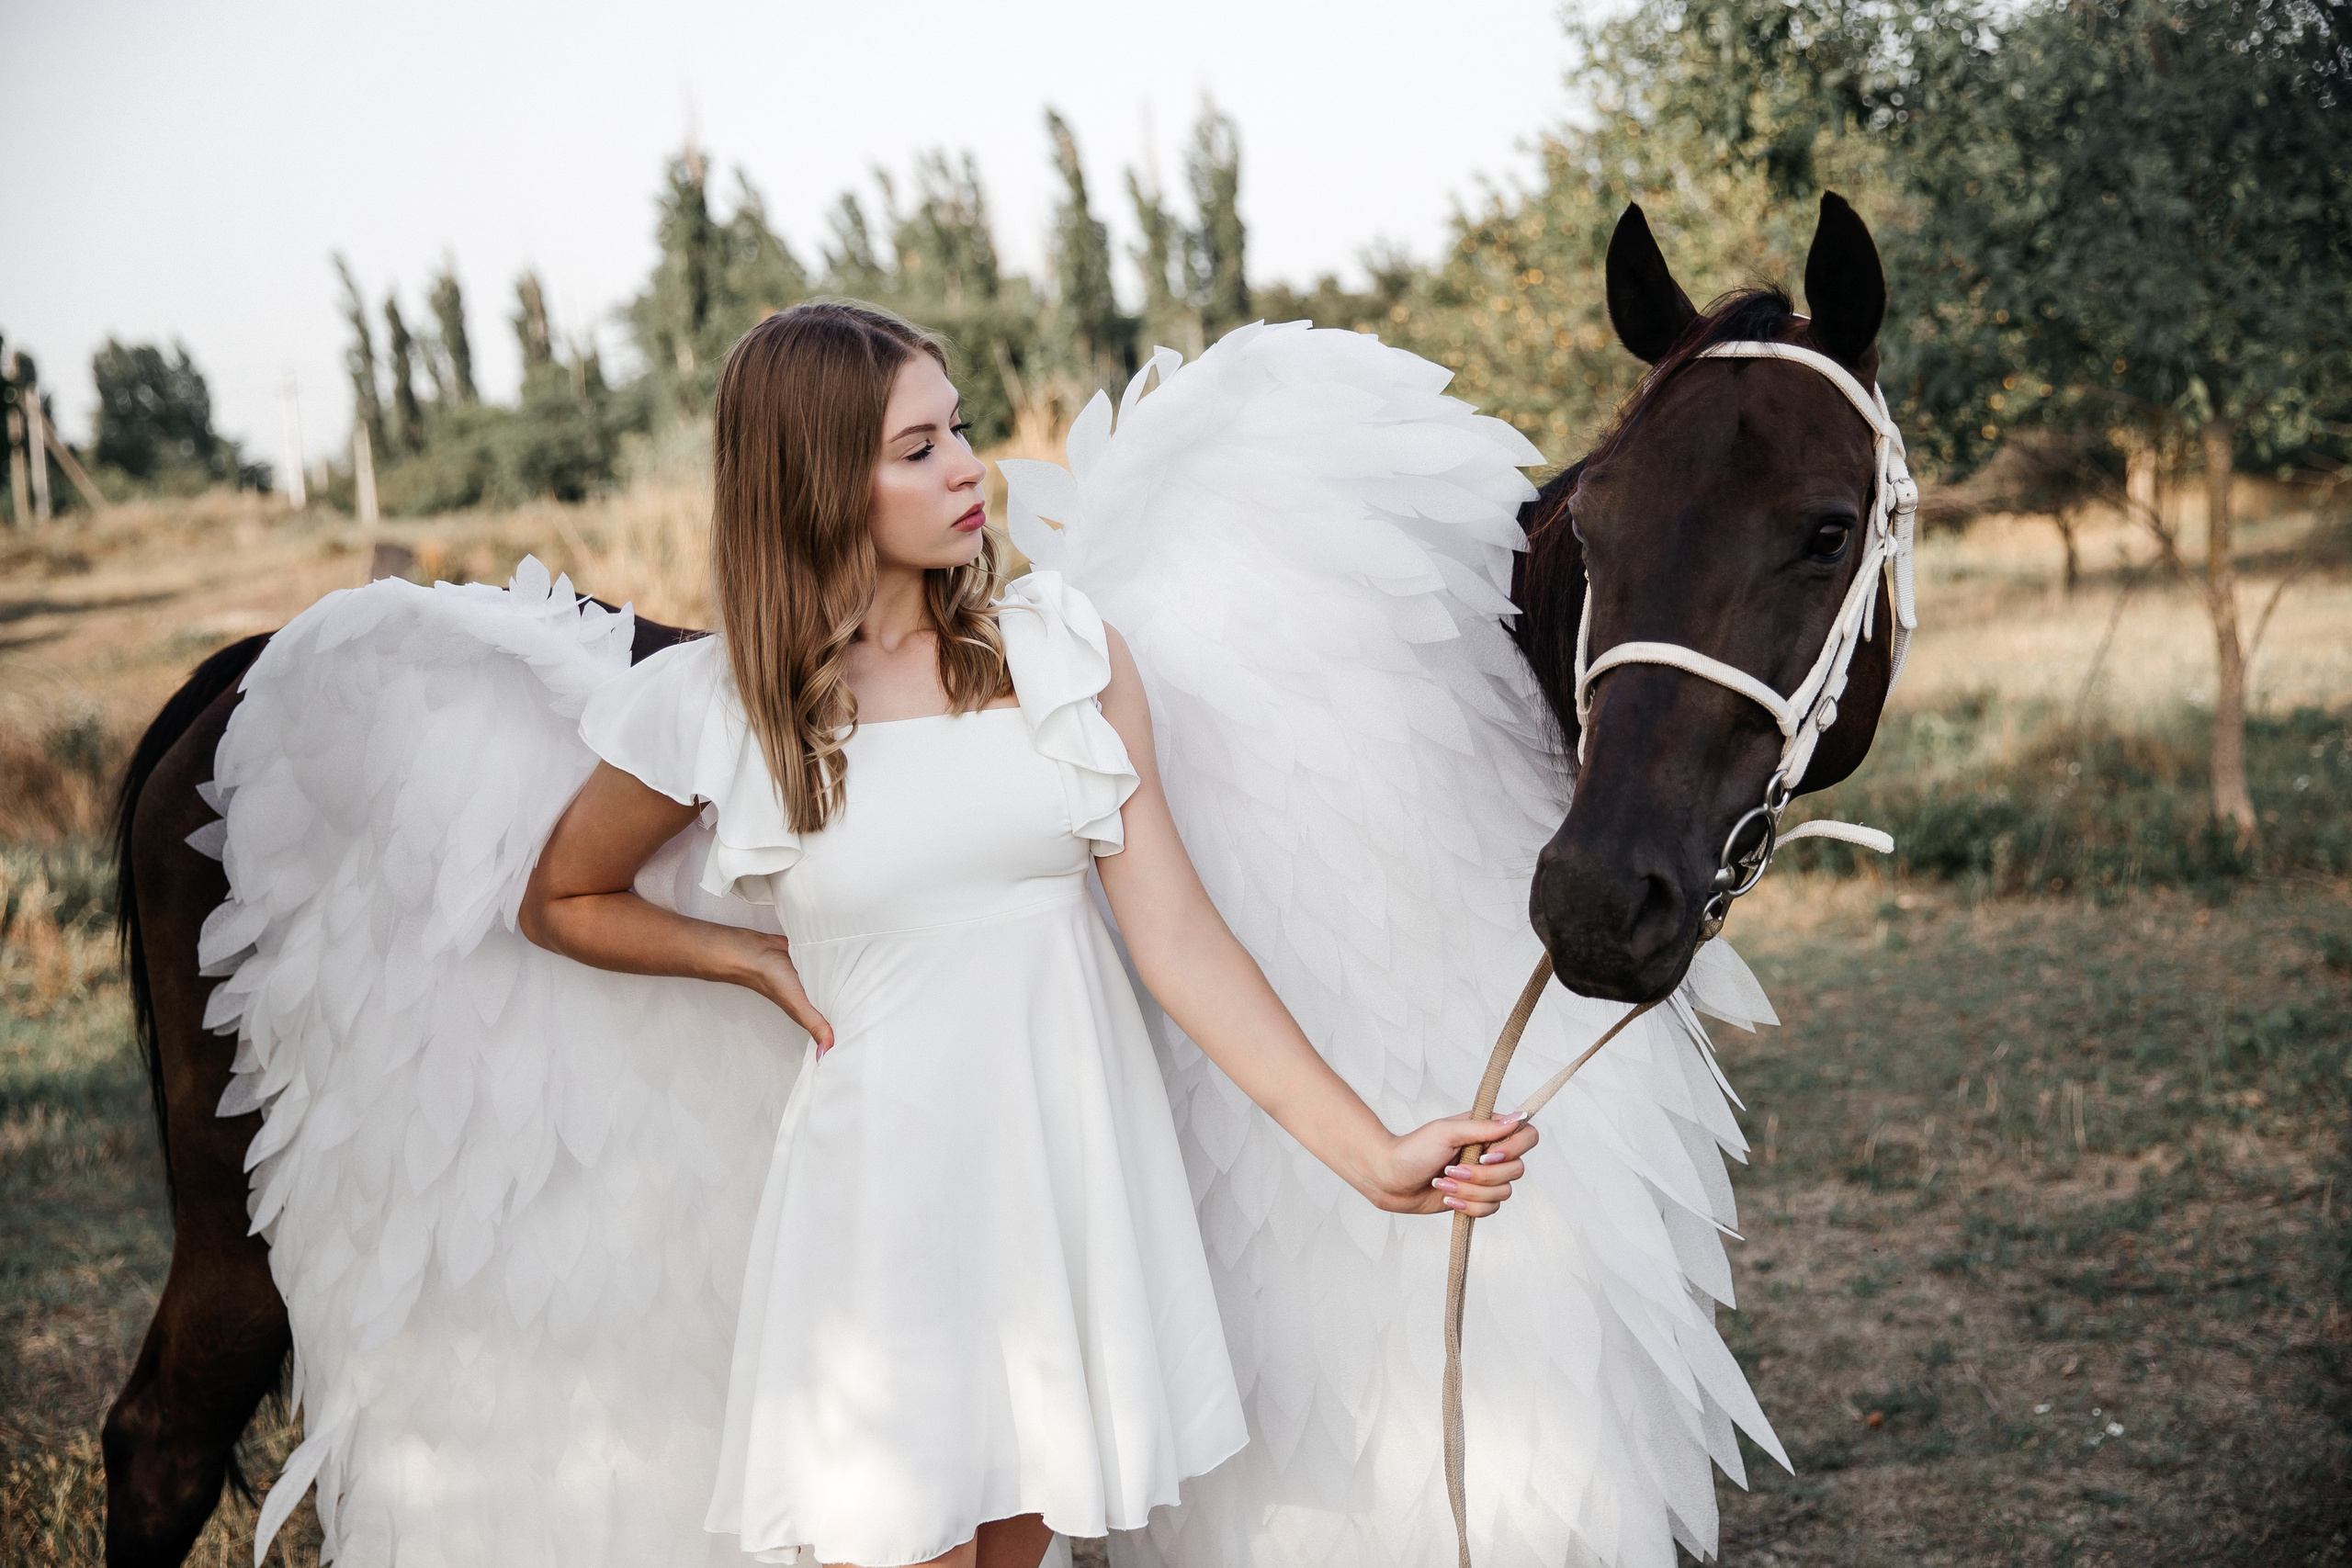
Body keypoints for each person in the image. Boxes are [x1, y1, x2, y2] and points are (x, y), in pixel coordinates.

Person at [514, 300, 1538, 1568]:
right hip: (888, 1200)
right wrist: (743, 955)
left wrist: (1372, 1153)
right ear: (818, 480)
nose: (968, 471)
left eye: (957, 431)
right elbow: (562, 898)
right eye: (917, 449)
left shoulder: (1057, 656)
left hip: (1059, 1189)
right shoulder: (726, 705)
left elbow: (1180, 942)